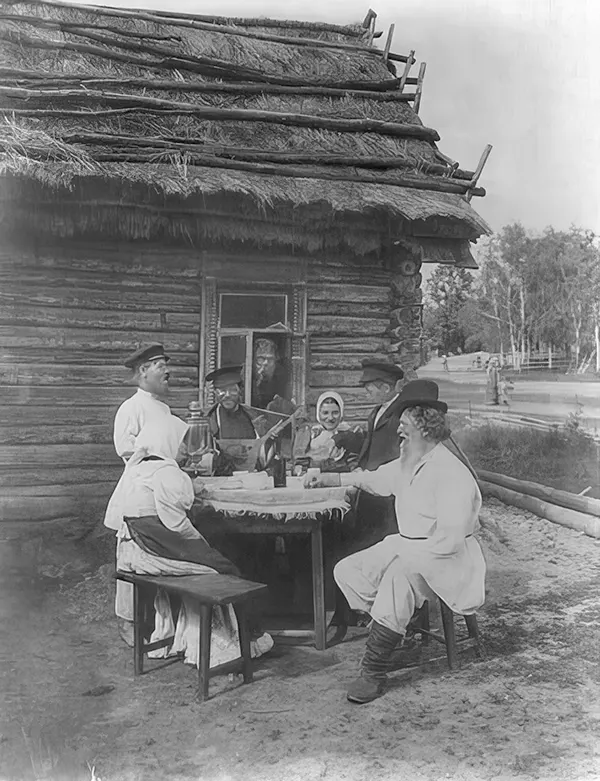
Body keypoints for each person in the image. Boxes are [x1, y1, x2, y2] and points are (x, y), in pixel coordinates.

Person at [306, 380, 486, 704]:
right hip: (411, 544)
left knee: (397, 579)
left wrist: (410, 560)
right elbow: (375, 478)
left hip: (449, 557)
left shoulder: (450, 473)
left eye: (404, 426)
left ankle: (373, 670)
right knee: (349, 570)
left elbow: (450, 538)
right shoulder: (410, 462)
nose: (399, 433)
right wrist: (332, 478)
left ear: (423, 426)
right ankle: (391, 631)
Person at [115, 416, 273, 663]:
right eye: (181, 444)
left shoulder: (139, 466)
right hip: (151, 547)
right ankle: (235, 643)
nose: (185, 451)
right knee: (222, 567)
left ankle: (195, 636)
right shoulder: (166, 471)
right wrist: (202, 545)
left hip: (131, 550)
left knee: (212, 558)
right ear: (166, 442)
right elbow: (176, 524)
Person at [104, 344, 174, 533]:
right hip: (141, 492)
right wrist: (156, 453)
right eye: (160, 366)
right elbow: (124, 447)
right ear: (143, 370)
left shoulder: (163, 409)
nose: (167, 372)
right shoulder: (131, 407)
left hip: (165, 489)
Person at [351, 360, 406, 549]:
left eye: (369, 389)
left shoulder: (401, 412)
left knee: (388, 538)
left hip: (390, 490)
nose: (367, 394)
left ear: (385, 387)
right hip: (371, 485)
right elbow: (371, 443)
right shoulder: (376, 412)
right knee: (368, 538)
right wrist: (361, 466)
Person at [302, 391, 364, 471]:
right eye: (325, 413)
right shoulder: (312, 433)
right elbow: (301, 462)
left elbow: (353, 461)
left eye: (335, 413)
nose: (330, 418)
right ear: (319, 413)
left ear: (341, 413)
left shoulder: (348, 434)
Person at [206, 365, 260, 440]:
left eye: (232, 390)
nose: (228, 395)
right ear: (215, 392)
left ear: (240, 391)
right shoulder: (207, 419)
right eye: (222, 390)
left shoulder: (253, 417)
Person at [251, 337, 293, 413]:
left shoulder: (281, 377)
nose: (265, 363)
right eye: (261, 359)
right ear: (253, 360)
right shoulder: (246, 375)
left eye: (270, 359)